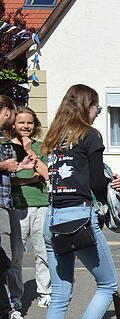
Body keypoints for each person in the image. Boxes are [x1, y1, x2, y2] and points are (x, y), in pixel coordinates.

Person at [41, 84, 120, 319]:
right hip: (78, 216)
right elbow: (95, 183)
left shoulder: (54, 138)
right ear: (87, 106)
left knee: (60, 295)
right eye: (97, 108)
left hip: (52, 220)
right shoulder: (90, 135)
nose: (97, 113)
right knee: (108, 284)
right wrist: (114, 186)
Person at [6, 107, 52, 308]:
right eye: (21, 122)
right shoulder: (5, 147)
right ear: (13, 124)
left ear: (35, 126)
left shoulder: (41, 148)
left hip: (41, 205)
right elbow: (8, 180)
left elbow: (47, 174)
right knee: (16, 255)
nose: (25, 126)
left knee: (44, 252)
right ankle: (15, 295)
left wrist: (29, 152)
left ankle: (45, 291)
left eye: (29, 123)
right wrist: (28, 181)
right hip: (16, 207)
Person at [0, 95, 35, 319]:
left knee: (4, 260)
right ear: (5, 112)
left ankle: (6, 312)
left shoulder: (2, 141)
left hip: (4, 202)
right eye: (13, 115)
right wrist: (3, 166)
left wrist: (19, 167)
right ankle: (7, 313)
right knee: (3, 260)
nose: (14, 122)